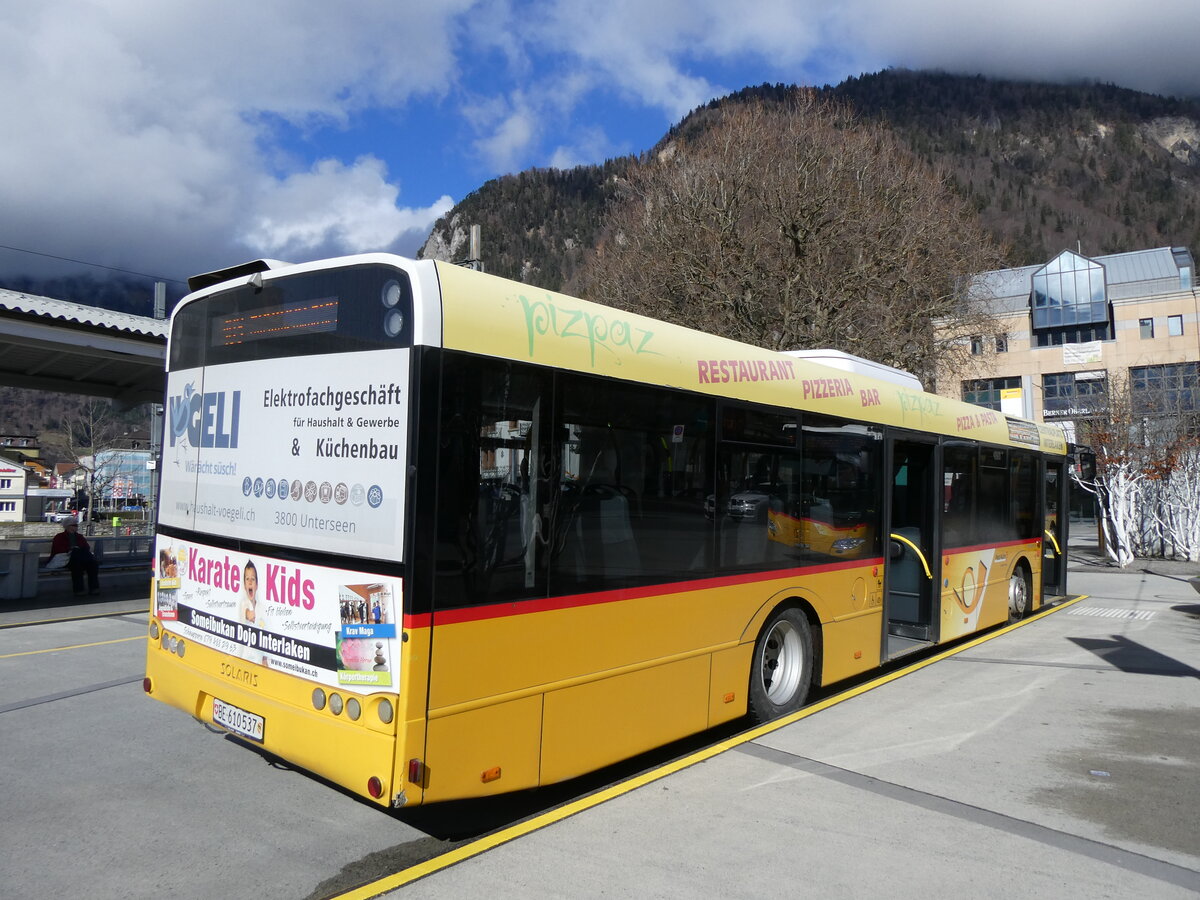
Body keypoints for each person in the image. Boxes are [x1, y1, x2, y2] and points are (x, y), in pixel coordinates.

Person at [48, 521, 100, 596]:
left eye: (76, 525)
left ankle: (94, 588)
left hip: (80, 558)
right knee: (77, 565)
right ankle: (79, 589)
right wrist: (71, 549)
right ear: (67, 526)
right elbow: (58, 549)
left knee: (92, 565)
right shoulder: (59, 537)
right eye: (73, 525)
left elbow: (86, 547)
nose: (76, 527)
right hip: (65, 559)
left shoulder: (79, 536)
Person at [240, 560, 258, 624]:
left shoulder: (261, 608)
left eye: (252, 579)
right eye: (247, 579)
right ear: (244, 585)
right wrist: (248, 614)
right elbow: (247, 612)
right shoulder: (243, 604)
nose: (250, 582)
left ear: (257, 585)